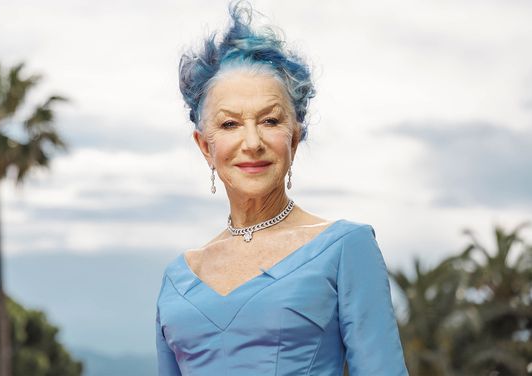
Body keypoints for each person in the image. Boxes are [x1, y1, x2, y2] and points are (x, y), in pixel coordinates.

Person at [155, 2, 409, 375]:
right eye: (229, 125)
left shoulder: (346, 248)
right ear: (205, 146)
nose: (253, 142)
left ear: (294, 138)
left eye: (270, 120)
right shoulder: (176, 280)